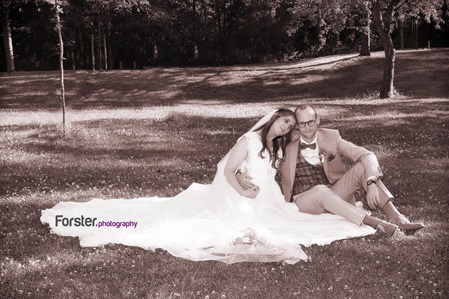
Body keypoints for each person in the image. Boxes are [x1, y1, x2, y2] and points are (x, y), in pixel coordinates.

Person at [41, 108, 376, 265]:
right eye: (285, 121)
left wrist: (255, 184)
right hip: (239, 197)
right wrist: (243, 189)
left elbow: (268, 174)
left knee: (285, 218)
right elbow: (229, 171)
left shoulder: (275, 148)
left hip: (268, 199)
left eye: (290, 126)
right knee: (183, 223)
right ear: (273, 119)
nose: (287, 127)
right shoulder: (248, 139)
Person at [238, 104, 424, 236]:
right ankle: (377, 224)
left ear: (318, 119)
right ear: (296, 126)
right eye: (302, 124)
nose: (307, 128)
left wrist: (372, 182)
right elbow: (258, 153)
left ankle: (398, 218)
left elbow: (367, 155)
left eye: (311, 122)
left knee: (361, 168)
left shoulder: (332, 137)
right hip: (303, 201)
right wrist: (239, 171)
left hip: (333, 194)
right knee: (319, 190)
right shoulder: (286, 143)